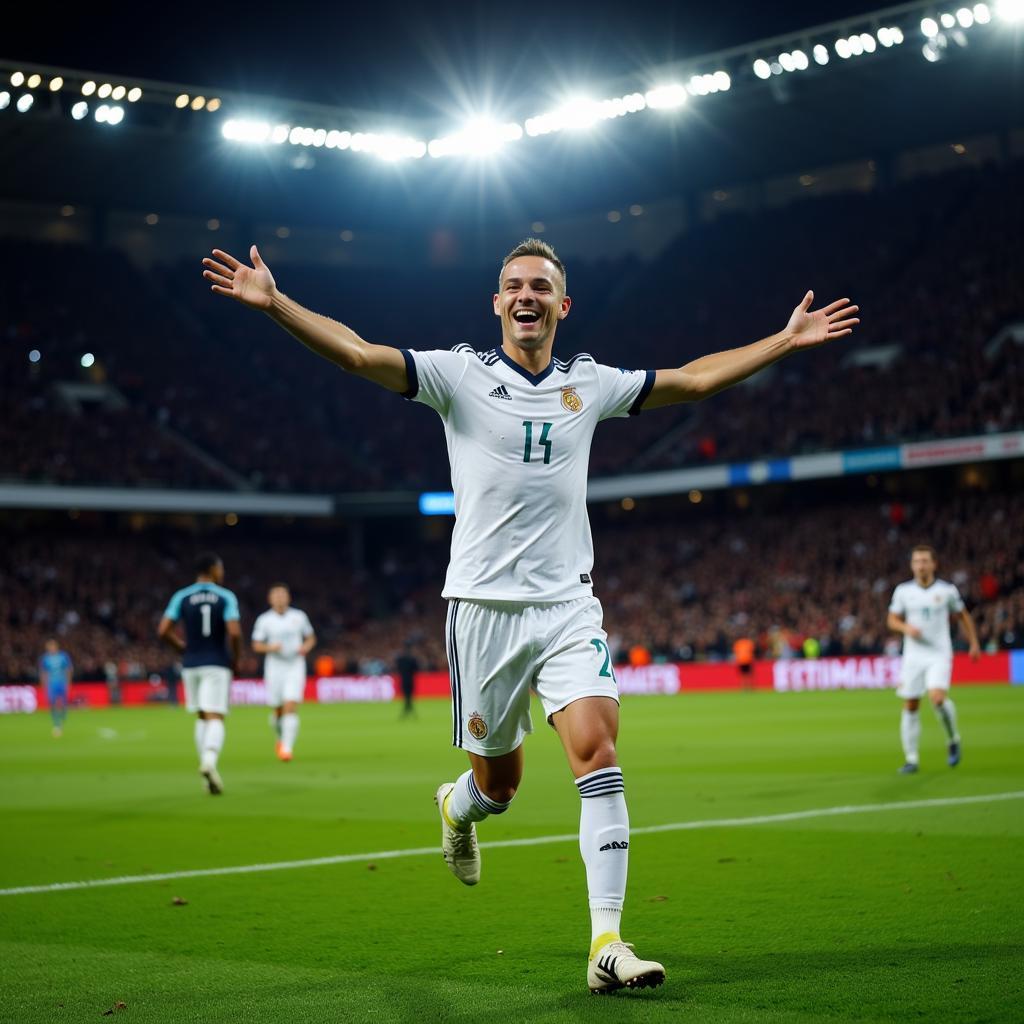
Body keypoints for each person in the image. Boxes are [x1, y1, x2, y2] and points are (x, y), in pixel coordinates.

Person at [202, 237, 857, 994]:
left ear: (561, 304)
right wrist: (275, 303)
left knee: (597, 749)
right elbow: (359, 354)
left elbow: (694, 380)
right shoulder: (459, 376)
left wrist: (786, 338)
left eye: (541, 286)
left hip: (568, 606)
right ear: (496, 302)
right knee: (499, 789)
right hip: (481, 611)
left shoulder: (592, 384)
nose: (526, 296)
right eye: (513, 285)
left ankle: (606, 943)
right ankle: (457, 808)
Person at [887, 544, 981, 774]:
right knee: (910, 704)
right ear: (912, 565)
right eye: (917, 561)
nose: (920, 565)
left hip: (939, 653)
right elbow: (891, 620)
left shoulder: (947, 591)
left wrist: (974, 642)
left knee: (937, 698)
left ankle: (953, 738)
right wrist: (905, 627)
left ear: (934, 564)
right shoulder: (903, 591)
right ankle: (911, 759)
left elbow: (962, 615)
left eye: (925, 561)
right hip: (913, 655)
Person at [158, 552, 242, 795]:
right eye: (221, 569)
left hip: (191, 663)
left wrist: (182, 649)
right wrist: (235, 659)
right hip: (216, 662)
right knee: (216, 716)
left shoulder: (182, 596)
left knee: (201, 716)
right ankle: (209, 762)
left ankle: (207, 780)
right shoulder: (225, 596)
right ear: (214, 570)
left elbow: (163, 630)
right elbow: (234, 632)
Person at [251, 583, 316, 761]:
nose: (280, 598)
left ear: (288, 597)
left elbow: (311, 637)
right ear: (270, 599)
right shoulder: (264, 620)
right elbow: (256, 644)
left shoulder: (299, 616)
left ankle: (287, 748)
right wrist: (271, 647)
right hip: (275, 667)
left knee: (291, 705)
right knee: (277, 710)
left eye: (282, 595)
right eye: (276, 595)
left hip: (295, 665)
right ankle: (280, 739)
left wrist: (305, 647)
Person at [39, 639, 72, 737]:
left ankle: (62, 716)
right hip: (51, 684)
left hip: (62, 683)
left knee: (63, 703)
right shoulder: (45, 658)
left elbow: (68, 669)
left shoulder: (63, 656)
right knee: (52, 703)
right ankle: (56, 723)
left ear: (56, 647)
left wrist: (68, 682)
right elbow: (43, 672)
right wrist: (44, 683)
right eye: (49, 647)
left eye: (53, 646)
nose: (51, 648)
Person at [395, 641, 420, 717]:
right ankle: (409, 710)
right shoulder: (412, 659)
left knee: (406, 696)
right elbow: (416, 669)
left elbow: (397, 668)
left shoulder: (400, 659)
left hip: (403, 679)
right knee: (409, 696)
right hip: (410, 680)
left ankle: (407, 710)